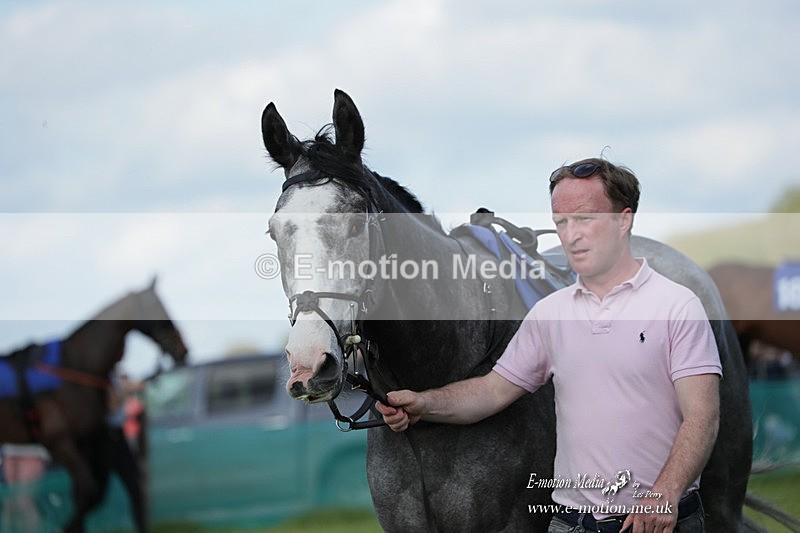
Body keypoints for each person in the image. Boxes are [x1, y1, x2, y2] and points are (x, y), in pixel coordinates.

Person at [376, 158, 720, 533]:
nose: (571, 235)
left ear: (624, 220)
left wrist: (665, 492)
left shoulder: (677, 305)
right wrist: (425, 403)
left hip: (657, 523)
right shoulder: (549, 313)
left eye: (585, 219)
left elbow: (702, 416)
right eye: (561, 222)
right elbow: (491, 392)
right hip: (569, 524)